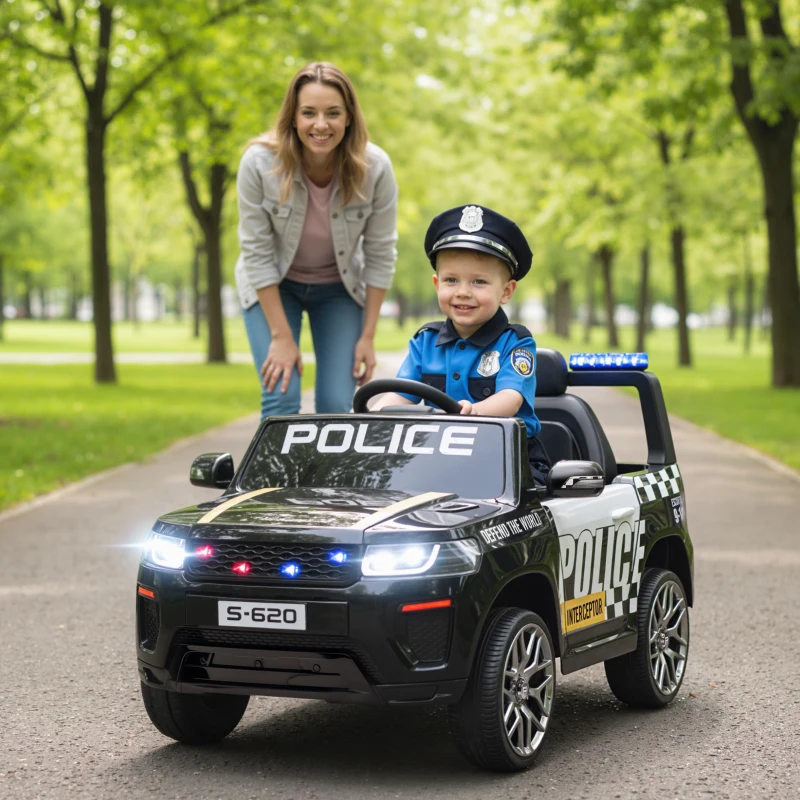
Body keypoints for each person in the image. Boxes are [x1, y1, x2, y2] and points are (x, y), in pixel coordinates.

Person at [234, 62, 398, 419]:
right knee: (281, 396)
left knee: (337, 405)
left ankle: (323, 479)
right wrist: (281, 337)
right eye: (309, 113)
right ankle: (275, 479)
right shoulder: (258, 164)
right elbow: (256, 254)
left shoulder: (376, 169)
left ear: (349, 117)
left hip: (339, 290)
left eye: (333, 113)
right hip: (274, 287)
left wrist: (367, 337)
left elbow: (381, 255)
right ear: (293, 118)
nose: (320, 125)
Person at [376, 204, 550, 483]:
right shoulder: (426, 341)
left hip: (508, 458)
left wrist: (475, 412)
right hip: (435, 455)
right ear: (436, 284)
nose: (463, 292)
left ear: (506, 291)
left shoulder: (515, 343)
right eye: (451, 280)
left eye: (479, 282)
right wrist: (370, 415)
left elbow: (510, 398)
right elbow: (402, 393)